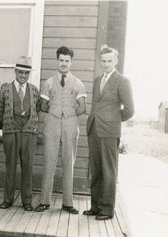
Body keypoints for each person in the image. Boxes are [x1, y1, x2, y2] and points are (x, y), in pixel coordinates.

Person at [84, 45, 134, 220]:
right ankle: (95, 207)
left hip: (109, 131)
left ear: (116, 61)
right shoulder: (98, 80)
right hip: (94, 130)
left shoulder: (122, 81)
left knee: (108, 170)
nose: (106, 64)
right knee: (96, 170)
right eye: (103, 61)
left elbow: (129, 110)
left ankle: (107, 210)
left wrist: (112, 120)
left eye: (109, 61)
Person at [35, 46, 86, 214]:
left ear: (71, 62)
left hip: (70, 125)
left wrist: (68, 115)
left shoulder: (78, 83)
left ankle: (67, 203)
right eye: (61, 60)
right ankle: (44, 201)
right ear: (57, 61)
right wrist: (55, 113)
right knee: (49, 161)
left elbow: (82, 108)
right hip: (52, 124)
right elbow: (42, 105)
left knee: (68, 163)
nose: (64, 64)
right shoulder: (49, 82)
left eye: (67, 61)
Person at [0, 56, 40, 211]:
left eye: (26, 73)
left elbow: (37, 110)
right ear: (15, 71)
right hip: (11, 130)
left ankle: (27, 201)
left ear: (29, 75)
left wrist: (28, 124)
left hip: (29, 132)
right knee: (11, 166)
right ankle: (7, 199)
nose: (23, 76)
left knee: (28, 167)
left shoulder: (34, 90)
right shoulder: (5, 88)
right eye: (20, 72)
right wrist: (10, 123)